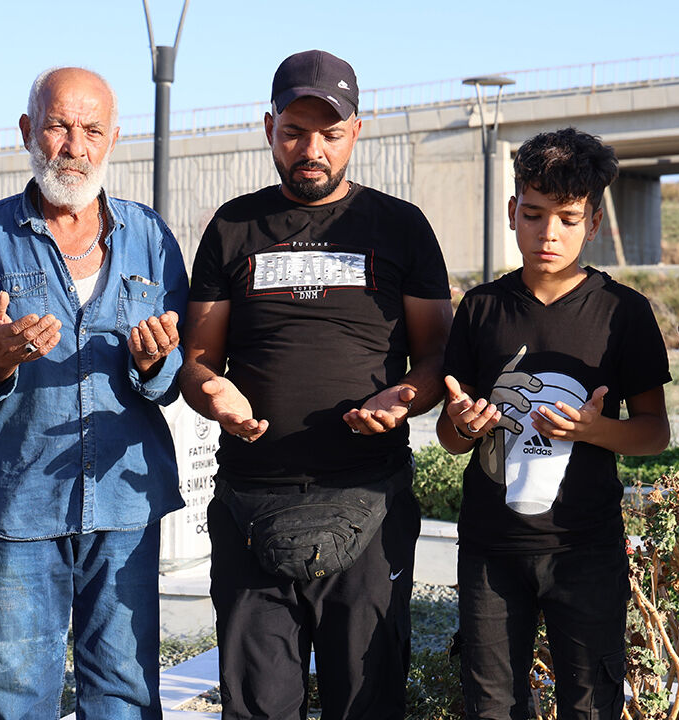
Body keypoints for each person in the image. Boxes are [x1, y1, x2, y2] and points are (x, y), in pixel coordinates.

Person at [180, 49, 453, 720]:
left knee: (367, 702)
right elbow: (196, 364)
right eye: (295, 131)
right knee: (257, 708)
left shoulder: (400, 227)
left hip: (369, 504)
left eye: (329, 133)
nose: (312, 149)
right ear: (267, 127)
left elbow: (440, 360)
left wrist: (405, 399)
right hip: (252, 506)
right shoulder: (232, 225)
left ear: (355, 132)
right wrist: (214, 394)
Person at [0, 67, 186, 719]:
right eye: (57, 125)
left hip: (126, 500)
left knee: (125, 690)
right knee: (19, 693)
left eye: (91, 129)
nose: (73, 144)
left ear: (113, 140)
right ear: (29, 130)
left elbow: (176, 370)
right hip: (20, 503)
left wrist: (157, 362)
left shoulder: (151, 239)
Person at [437, 129, 670, 720]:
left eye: (567, 219)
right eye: (534, 215)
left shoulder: (625, 311)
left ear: (592, 223)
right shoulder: (480, 309)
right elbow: (447, 434)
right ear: (513, 212)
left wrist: (593, 432)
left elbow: (654, 431)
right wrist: (464, 425)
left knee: (591, 705)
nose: (549, 234)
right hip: (491, 547)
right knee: (491, 705)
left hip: (586, 548)